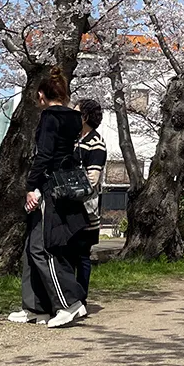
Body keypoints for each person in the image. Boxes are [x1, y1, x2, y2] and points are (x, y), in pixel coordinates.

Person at [8, 67, 88, 328]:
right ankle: (35, 307)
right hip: (63, 186)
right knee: (32, 247)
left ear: (41, 95)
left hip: (47, 187)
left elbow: (44, 155)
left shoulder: (49, 118)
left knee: (43, 248)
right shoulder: (75, 119)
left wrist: (32, 187)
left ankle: (69, 303)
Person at [69, 98, 106, 300]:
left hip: (85, 209)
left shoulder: (96, 143)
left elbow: (92, 179)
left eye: (76, 113)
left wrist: (69, 189)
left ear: (84, 117)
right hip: (69, 206)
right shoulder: (74, 139)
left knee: (82, 254)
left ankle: (80, 298)